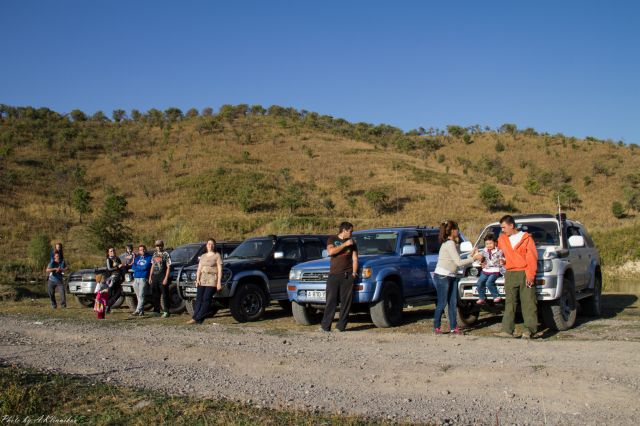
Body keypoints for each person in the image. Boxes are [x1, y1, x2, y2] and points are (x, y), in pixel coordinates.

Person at [433, 220, 483, 335]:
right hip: (443, 276)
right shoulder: (449, 244)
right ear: (452, 230)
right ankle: (437, 327)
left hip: (452, 275)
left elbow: (459, 260)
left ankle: (453, 328)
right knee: (442, 302)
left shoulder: (452, 244)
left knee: (453, 302)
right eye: (457, 229)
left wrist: (471, 254)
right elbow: (459, 263)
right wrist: (474, 258)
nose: (458, 231)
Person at [495, 215, 539, 339]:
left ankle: (529, 330)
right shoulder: (502, 239)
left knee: (528, 302)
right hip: (510, 273)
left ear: (511, 225)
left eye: (504, 227)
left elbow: (532, 257)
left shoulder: (526, 238)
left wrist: (531, 275)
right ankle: (507, 329)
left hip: (524, 272)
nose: (502, 230)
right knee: (510, 302)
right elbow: (498, 253)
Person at [320, 222, 358, 332]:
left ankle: (341, 326)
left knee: (346, 303)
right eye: (350, 231)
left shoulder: (353, 243)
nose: (351, 233)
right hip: (333, 275)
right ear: (344, 230)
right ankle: (325, 326)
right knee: (330, 301)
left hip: (347, 276)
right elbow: (331, 251)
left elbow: (355, 259)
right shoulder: (332, 239)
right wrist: (345, 245)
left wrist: (354, 273)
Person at [188, 238, 223, 325]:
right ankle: (197, 318)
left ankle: (197, 318)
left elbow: (220, 270)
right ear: (206, 245)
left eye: (212, 244)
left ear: (214, 246)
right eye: (209, 244)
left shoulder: (217, 255)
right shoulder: (203, 256)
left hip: (212, 279)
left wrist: (219, 282)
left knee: (206, 299)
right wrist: (197, 279)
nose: (210, 246)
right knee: (199, 299)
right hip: (202, 279)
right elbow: (199, 269)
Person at [475, 233, 503, 305]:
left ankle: (496, 296)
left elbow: (502, 259)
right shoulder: (484, 251)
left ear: (495, 243)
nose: (489, 245)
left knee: (489, 282)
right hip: (485, 270)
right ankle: (481, 298)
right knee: (479, 283)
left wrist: (502, 262)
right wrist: (480, 261)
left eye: (490, 243)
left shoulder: (499, 251)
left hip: (495, 271)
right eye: (487, 244)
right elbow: (480, 259)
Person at [149, 240, 172, 318]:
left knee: (165, 294)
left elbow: (168, 267)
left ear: (162, 245)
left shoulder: (166, 254)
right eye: (157, 245)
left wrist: (166, 278)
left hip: (162, 276)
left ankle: (166, 311)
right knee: (155, 294)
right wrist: (150, 277)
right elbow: (152, 265)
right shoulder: (154, 254)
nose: (158, 247)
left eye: (160, 245)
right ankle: (156, 310)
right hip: (154, 276)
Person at [131, 245, 152, 316]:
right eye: (140, 250)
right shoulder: (137, 258)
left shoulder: (149, 257)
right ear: (139, 251)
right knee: (138, 296)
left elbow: (145, 267)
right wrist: (140, 267)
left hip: (143, 278)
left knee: (141, 295)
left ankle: (137, 310)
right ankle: (141, 311)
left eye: (143, 249)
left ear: (145, 250)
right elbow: (133, 267)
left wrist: (138, 267)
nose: (142, 251)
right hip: (136, 278)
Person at [105, 247, 124, 312]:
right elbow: (109, 268)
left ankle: (108, 306)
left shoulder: (117, 258)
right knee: (110, 294)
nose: (113, 252)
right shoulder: (108, 259)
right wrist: (117, 267)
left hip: (118, 278)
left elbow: (121, 268)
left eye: (113, 250)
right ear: (108, 253)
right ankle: (107, 307)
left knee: (118, 293)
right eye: (111, 251)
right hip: (111, 279)